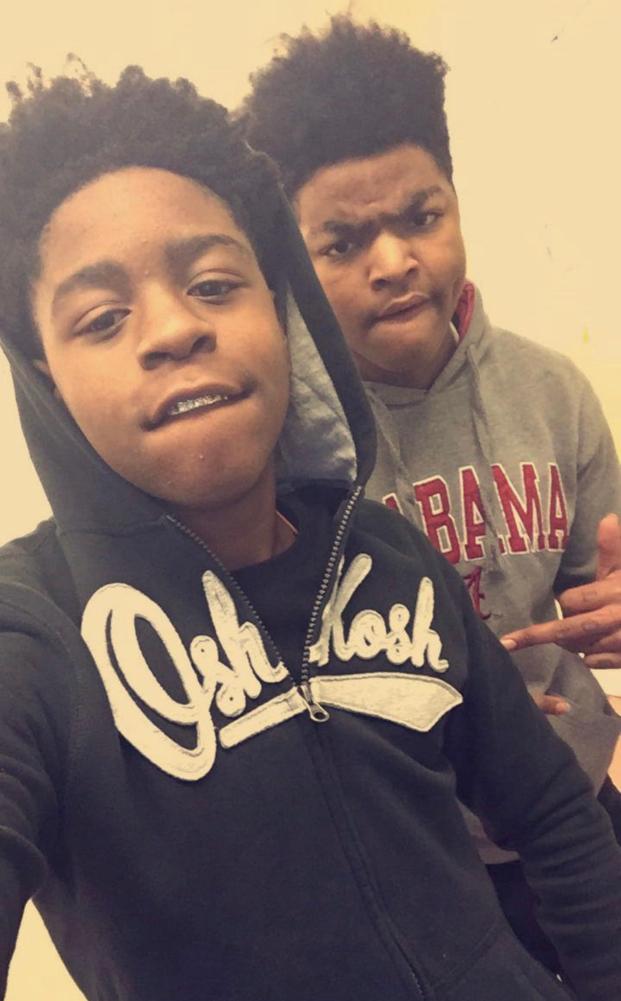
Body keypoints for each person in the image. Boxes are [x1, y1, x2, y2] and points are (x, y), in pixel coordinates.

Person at [0, 64, 620, 1001]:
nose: (171, 327)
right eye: (104, 317)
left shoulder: (390, 554)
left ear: (278, 309)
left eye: (213, 283)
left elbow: (558, 816)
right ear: (45, 369)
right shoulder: (37, 633)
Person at [241, 15, 621, 973]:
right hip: (423, 858)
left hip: (578, 804)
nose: (393, 261)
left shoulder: (552, 391)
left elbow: (593, 601)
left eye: (420, 217)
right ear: (291, 263)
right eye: (341, 242)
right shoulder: (284, 455)